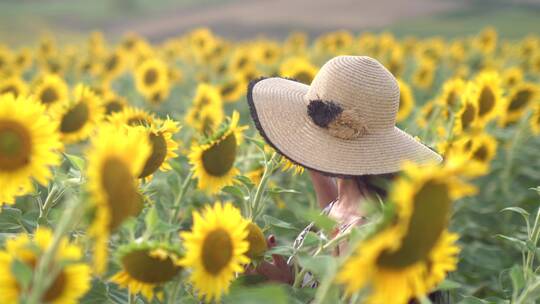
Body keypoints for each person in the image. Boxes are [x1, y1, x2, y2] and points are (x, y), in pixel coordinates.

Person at [245, 56, 444, 302]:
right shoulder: (354, 201)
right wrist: (315, 164)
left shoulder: (363, 235)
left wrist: (285, 290)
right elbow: (332, 219)